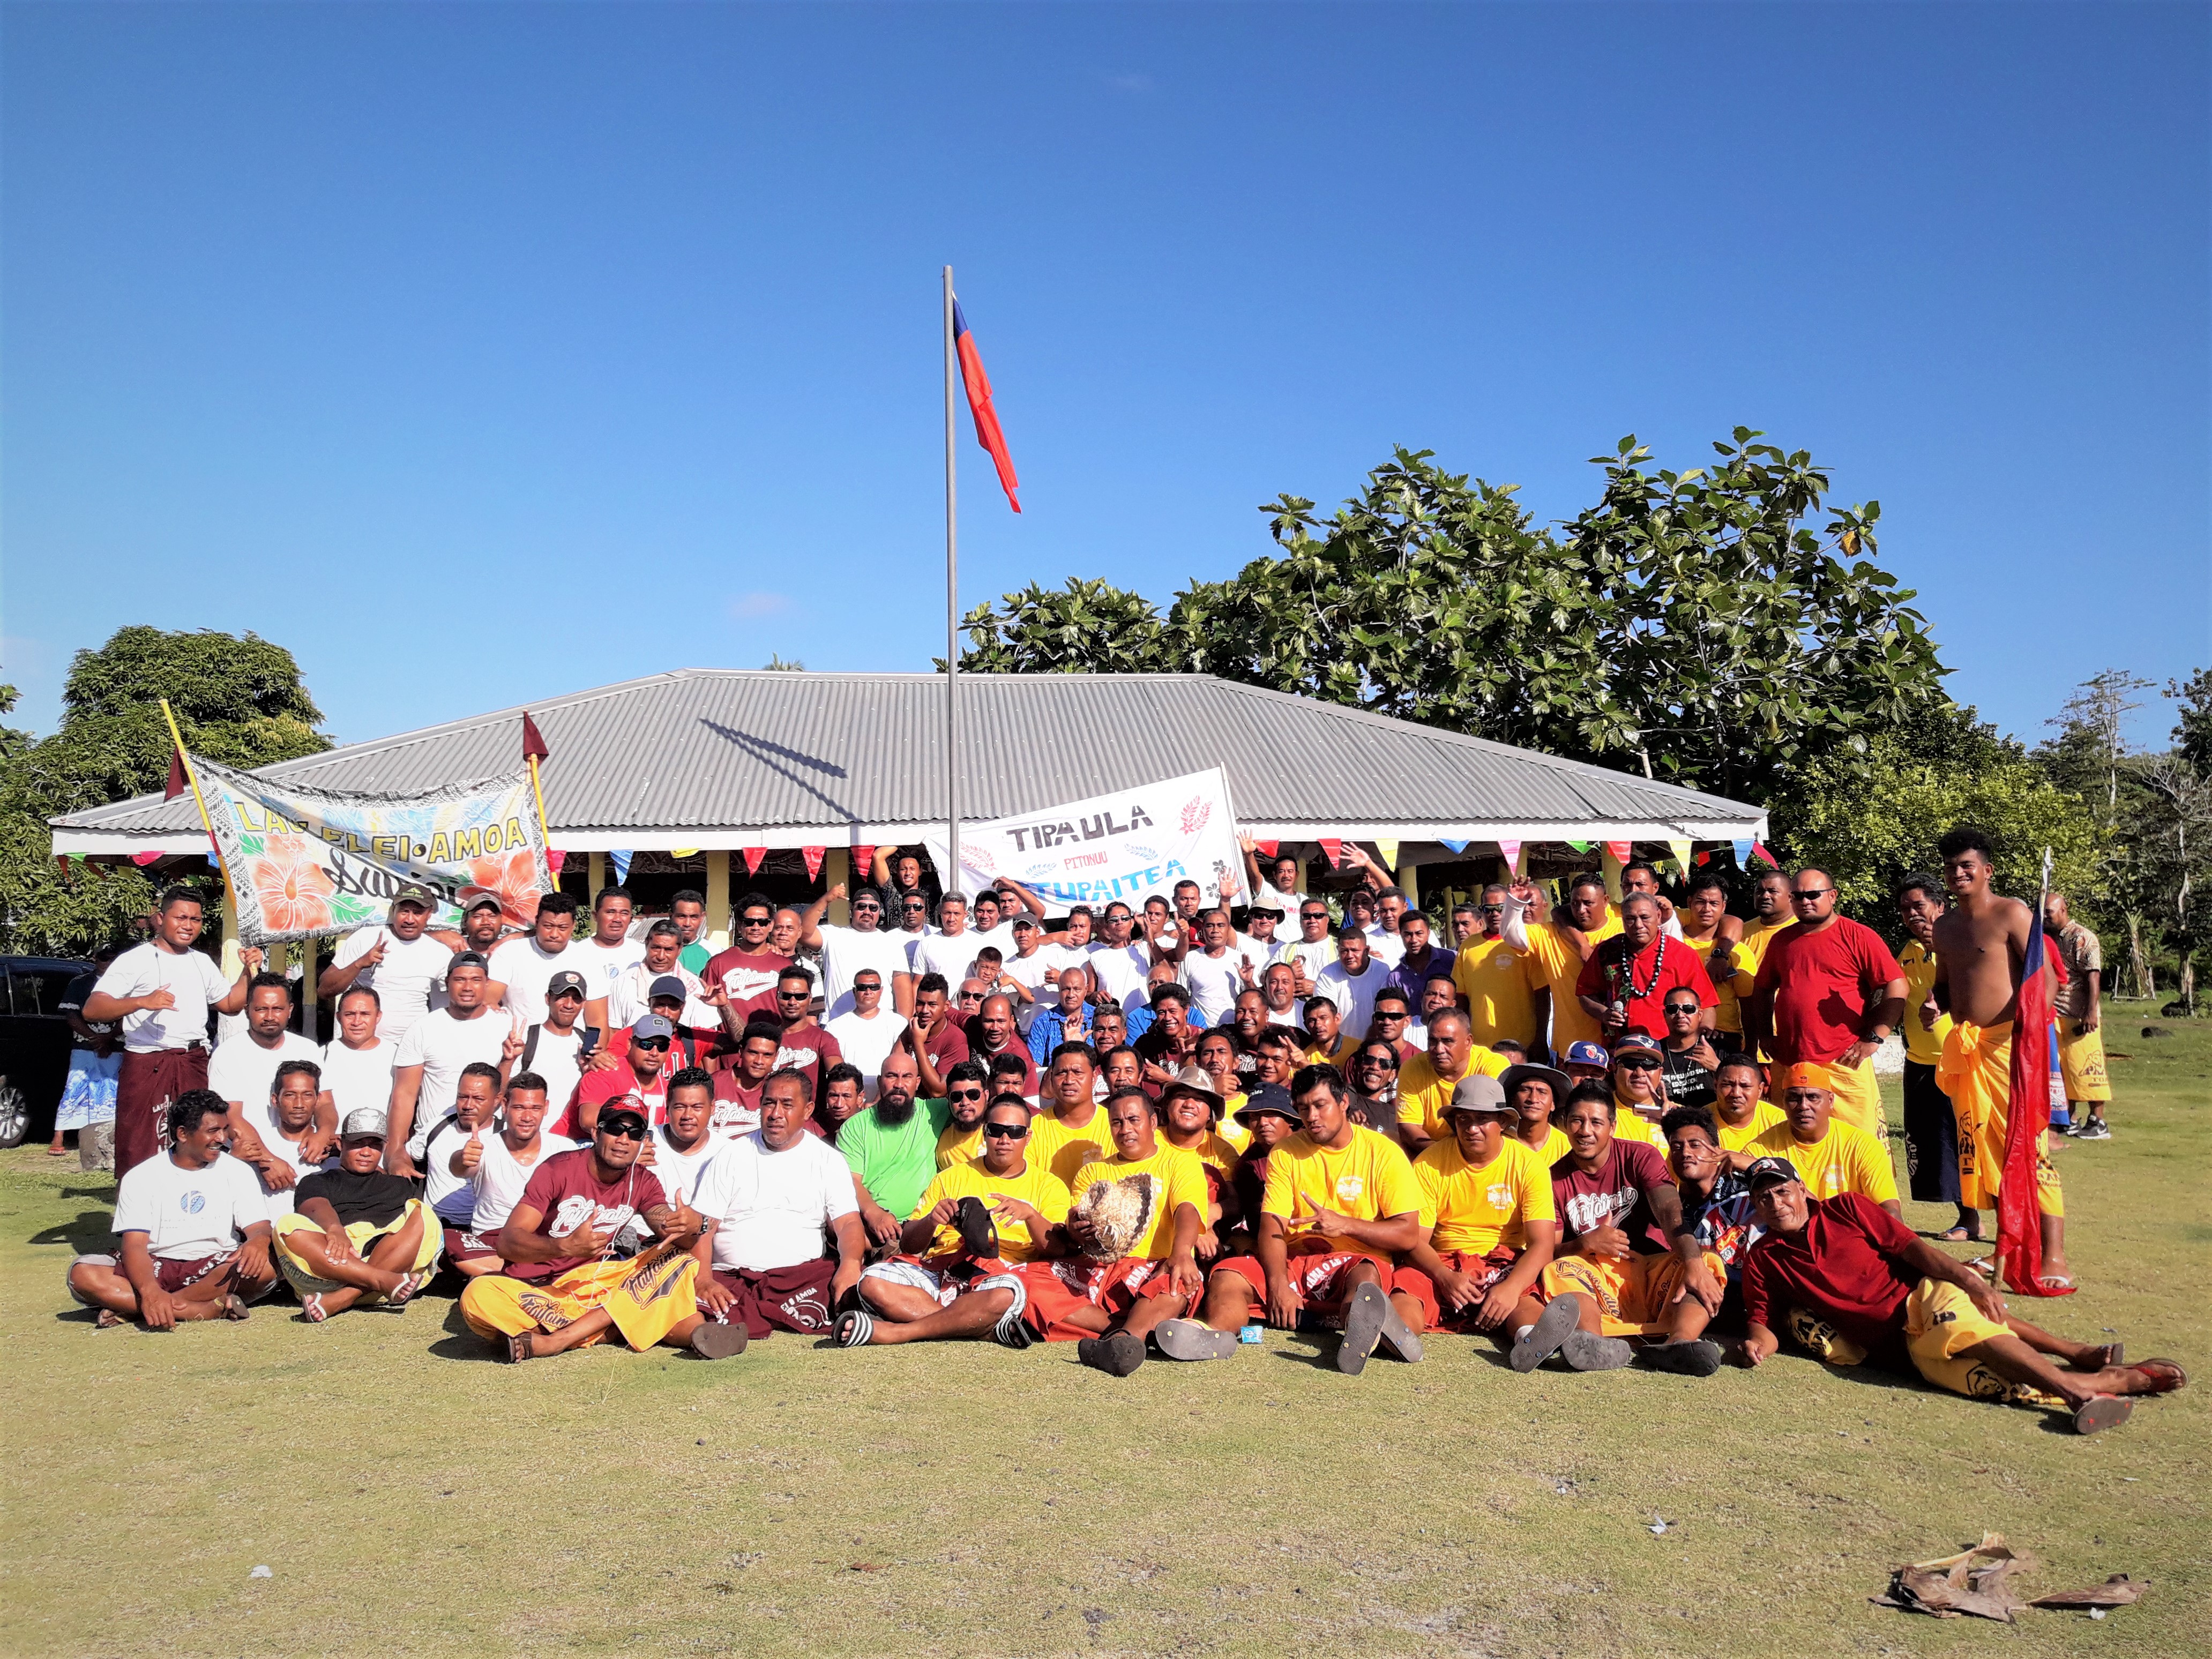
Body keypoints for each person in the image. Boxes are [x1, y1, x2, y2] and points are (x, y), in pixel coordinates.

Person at [1736, 1158, 2183, 1434]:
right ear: (1755, 1207)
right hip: (1902, 1351)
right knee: (1992, 1385)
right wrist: (1758, 1347)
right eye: (1764, 1198)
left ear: (1803, 1191)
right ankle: (2111, 1382)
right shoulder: (1764, 1257)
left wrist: (1970, 1281)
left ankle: (2074, 1393)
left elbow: (1916, 1250)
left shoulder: (1847, 1208)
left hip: (1923, 1298)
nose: (1776, 1204)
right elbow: (1763, 1318)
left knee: (1961, 1325)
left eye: (1782, 1191)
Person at [1156, 1064, 1425, 1374]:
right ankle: (1215, 1334)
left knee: (1365, 1281)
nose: (1311, 1117)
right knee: (1227, 1273)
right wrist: (1278, 1283)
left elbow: (1407, 1235)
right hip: (1296, 1261)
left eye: (1320, 1105)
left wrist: (1346, 1224)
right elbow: (1272, 1225)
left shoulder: (1384, 1152)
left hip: (1356, 1260)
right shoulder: (1285, 1152)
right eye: (1303, 1108)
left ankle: (1360, 1331)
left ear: (1344, 1103)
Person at [459, 1104, 732, 1363]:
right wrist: (564, 1247)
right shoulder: (558, 1169)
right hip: (540, 1291)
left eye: (635, 1133)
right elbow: (507, 1243)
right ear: (596, 1132)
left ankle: (558, 1340)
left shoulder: (644, 1181)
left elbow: (672, 1233)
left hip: (599, 1288)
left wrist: (693, 1225)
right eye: (615, 1129)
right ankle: (608, 1329)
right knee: (477, 1295)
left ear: (643, 1142)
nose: (624, 1139)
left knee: (679, 1260)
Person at [1930, 827, 2070, 1289]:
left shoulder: (2012, 912)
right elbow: (1949, 983)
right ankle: (2004, 1246)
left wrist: (2032, 1030)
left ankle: (2053, 1255)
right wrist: (1937, 1004)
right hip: (1969, 1049)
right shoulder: (1944, 926)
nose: (1958, 873)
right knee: (1986, 1154)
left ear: (1986, 870)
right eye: (1951, 867)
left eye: (1967, 865)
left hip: (2014, 1049)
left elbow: (2045, 977)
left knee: (2029, 1152)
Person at [835, 1093, 1073, 1350]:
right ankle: (982, 1331)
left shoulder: (1049, 1186)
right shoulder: (951, 1177)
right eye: (996, 1130)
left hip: (999, 1276)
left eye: (1015, 1132)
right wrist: (931, 1221)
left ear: (1028, 1137)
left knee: (1008, 1293)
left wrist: (1030, 1215)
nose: (1004, 1140)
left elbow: (1057, 1249)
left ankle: (898, 1332)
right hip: (942, 1269)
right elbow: (909, 1244)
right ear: (985, 1133)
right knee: (872, 1281)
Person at [1533, 1082, 1728, 1374]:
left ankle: (1679, 1344)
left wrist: (1692, 1263)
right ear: (1564, 1123)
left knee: (1707, 1261)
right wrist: (1585, 1243)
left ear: (1612, 1126)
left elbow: (1670, 1213)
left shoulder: (1640, 1156)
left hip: (1651, 1273)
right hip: (1598, 1278)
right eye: (1577, 1120)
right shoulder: (1553, 1178)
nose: (1586, 1131)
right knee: (1557, 1270)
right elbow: (1550, 1250)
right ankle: (1591, 1343)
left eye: (1596, 1122)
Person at [83, 886, 260, 1177]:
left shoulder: (200, 960)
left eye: (196, 919)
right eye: (181, 918)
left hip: (192, 1061)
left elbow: (229, 1004)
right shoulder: (135, 959)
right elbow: (93, 1008)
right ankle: (133, 1216)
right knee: (140, 1146)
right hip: (148, 1063)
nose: (188, 926)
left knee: (199, 1139)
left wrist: (246, 971)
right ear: (160, 919)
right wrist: (142, 1001)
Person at [67, 1090, 278, 1327]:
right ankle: (203, 1309)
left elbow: (259, 1227)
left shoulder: (238, 1171)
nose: (222, 1138)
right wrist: (149, 1291)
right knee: (82, 1274)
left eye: (224, 1129)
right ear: (182, 1134)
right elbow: (135, 1246)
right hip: (155, 1265)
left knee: (268, 1268)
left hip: (215, 1265)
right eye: (212, 1131)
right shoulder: (141, 1177)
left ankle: (144, 1309)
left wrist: (259, 1242)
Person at [1038, 1088, 1208, 1375]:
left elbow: (1188, 1209)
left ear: (1153, 1122)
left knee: (1175, 1282)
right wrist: (1077, 1231)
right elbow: (1075, 1220)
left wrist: (1181, 1253)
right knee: (1031, 1280)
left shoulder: (1180, 1162)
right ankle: (1133, 1331)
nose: (1125, 1129)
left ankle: (1123, 1343)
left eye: (1133, 1120)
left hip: (1153, 1268)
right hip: (1100, 1270)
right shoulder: (1092, 1172)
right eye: (1117, 1122)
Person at [691, 1070, 869, 1342]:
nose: (775, 1113)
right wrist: (703, 1279)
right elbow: (704, 1225)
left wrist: (850, 1265)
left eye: (787, 1105)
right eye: (768, 1103)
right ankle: (714, 1332)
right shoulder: (731, 1155)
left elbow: (847, 1223)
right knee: (691, 1300)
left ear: (808, 1110)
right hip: (734, 1278)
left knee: (848, 1287)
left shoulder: (828, 1160)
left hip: (801, 1280)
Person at [1746, 869, 1906, 1138]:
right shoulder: (1782, 941)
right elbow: (1762, 989)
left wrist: (1875, 1038)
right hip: (1791, 1061)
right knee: (1794, 1144)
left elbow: (1896, 985)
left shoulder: (1858, 935)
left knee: (1861, 1146)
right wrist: (1765, 1035)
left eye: (1813, 895)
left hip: (1845, 1062)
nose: (1805, 901)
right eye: (1797, 896)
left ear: (1832, 896)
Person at [1401, 1075, 1558, 1348]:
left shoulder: (1530, 1165)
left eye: (1483, 1119)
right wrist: (1444, 1276)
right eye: (1463, 1119)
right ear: (1453, 1123)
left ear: (1504, 1123)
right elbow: (1415, 1239)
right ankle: (1395, 1335)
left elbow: (1542, 1244)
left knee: (1526, 1296)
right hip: (1444, 1262)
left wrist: (1510, 1289)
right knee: (1408, 1286)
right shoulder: (1428, 1163)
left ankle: (1532, 1339)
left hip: (1504, 1264)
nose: (1472, 1128)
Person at [273, 1108, 441, 1322]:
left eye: (375, 1145)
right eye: (358, 1143)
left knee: (424, 1213)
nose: (366, 1151)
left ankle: (344, 1297)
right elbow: (315, 1206)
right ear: (341, 1144)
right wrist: (335, 1230)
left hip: (386, 1260)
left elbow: (413, 1235)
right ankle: (379, 1280)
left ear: (384, 1147)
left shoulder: (399, 1185)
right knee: (287, 1225)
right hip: (334, 1265)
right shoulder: (318, 1181)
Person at [385, 953, 509, 1177]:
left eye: (476, 980)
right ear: (447, 983)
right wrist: (395, 1153)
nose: (468, 987)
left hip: (488, 1146)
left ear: (487, 984)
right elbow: (404, 1094)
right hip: (432, 1146)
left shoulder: (506, 1027)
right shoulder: (423, 1028)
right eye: (460, 979)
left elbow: (507, 1091)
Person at [1896, 875, 1972, 1235]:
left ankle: (1987, 1220)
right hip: (1921, 1063)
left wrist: (1943, 948)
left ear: (1941, 906)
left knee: (1968, 1141)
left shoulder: (1962, 944)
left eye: (1918, 906)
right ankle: (1967, 1219)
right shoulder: (1908, 952)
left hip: (1963, 1061)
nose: (1912, 914)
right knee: (1937, 1147)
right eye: (1905, 909)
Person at [206, 972, 331, 1186]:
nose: (270, 1016)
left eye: (278, 1009)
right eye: (261, 1009)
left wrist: (324, 1133)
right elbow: (231, 1116)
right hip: (250, 1159)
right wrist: (267, 1160)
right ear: (247, 1011)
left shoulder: (308, 1048)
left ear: (290, 1010)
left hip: (303, 1153)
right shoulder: (228, 1054)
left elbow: (326, 1102)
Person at [445, 1071, 573, 1278]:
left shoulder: (564, 1149)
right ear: (504, 1106)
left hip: (540, 1241)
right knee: (447, 1238)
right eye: (519, 1107)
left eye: (535, 1108)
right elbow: (461, 1168)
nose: (527, 1117)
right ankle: (526, 1274)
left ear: (546, 1108)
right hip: (493, 1241)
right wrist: (463, 1157)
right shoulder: (484, 1148)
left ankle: (511, 1274)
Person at [317, 883, 461, 1042]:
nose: (409, 919)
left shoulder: (440, 952)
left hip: (411, 1049)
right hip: (359, 1046)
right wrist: (359, 964)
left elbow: (459, 998)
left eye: (418, 913)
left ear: (429, 915)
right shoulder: (365, 938)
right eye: (404, 911)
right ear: (394, 910)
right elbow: (325, 990)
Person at [839, 1046, 953, 1245]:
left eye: (907, 1077)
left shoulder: (936, 1112)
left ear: (917, 1083)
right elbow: (850, 1180)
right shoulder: (855, 1127)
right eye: (892, 1076)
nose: (899, 1084)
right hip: (875, 1228)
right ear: (879, 1082)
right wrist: (874, 1214)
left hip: (924, 1227)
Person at [1746, 1065, 1900, 1211]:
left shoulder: (1862, 1146)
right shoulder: (1760, 1149)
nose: (1804, 1106)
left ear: (1831, 1101)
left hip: (1849, 1234)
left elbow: (1890, 1210)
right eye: (1794, 1098)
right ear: (1784, 1101)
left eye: (1813, 1097)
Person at [1576, 893, 1717, 1045]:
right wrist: (1603, 1013)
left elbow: (1706, 1004)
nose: (1638, 925)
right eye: (1630, 919)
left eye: (1645, 918)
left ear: (1658, 916)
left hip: (1669, 1048)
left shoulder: (1683, 954)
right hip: (1619, 1047)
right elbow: (1586, 993)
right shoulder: (1606, 951)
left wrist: (1701, 1038)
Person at [1500, 873, 1615, 1059]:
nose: (1581, 910)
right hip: (1571, 1050)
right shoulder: (1549, 933)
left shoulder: (1622, 929)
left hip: (1615, 1046)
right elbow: (1512, 935)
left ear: (1605, 901)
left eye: (1588, 903)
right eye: (1575, 903)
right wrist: (1514, 903)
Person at [2042, 891, 2112, 1139]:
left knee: (2087, 1066)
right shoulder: (2046, 937)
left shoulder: (2082, 937)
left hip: (2079, 1013)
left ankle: (2098, 1121)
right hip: (2055, 1012)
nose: (2045, 916)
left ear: (2064, 909)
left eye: (2049, 911)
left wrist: (2091, 1012)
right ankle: (2068, 1117)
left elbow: (2093, 975)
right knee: (2063, 1069)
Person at [1395, 1009, 1510, 1153]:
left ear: (1468, 1042)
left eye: (1447, 1041)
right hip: (1431, 1152)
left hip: (1481, 1151)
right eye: (1433, 1041)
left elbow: (1492, 1124)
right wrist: (1443, 1156)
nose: (1439, 1049)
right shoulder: (1412, 1068)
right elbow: (1408, 1127)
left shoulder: (1493, 1065)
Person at [800, 881, 916, 1019]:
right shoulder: (833, 935)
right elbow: (803, 933)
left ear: (880, 911)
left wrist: (904, 1027)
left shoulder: (892, 943)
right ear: (851, 909)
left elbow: (902, 989)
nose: (867, 912)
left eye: (873, 908)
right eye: (861, 906)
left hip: (880, 1026)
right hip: (836, 1023)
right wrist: (825, 900)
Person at [51, 943, 121, 1169]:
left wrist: (109, 1037)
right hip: (84, 1046)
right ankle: (59, 1137)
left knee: (110, 1091)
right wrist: (94, 1038)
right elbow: (71, 1016)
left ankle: (105, 1139)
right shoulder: (80, 984)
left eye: (112, 958)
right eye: (104, 958)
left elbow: (131, 1015)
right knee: (75, 1089)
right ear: (95, 959)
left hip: (115, 1046)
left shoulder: (127, 985)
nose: (108, 963)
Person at [562, 1014, 678, 1139]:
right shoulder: (606, 1070)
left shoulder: (666, 1087)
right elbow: (588, 1121)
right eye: (646, 1044)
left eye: (662, 1047)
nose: (654, 1053)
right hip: (574, 1144)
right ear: (630, 1044)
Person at [503, 969, 596, 1122]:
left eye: (577, 999)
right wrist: (507, 1061)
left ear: (584, 1003)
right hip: (529, 1134)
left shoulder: (587, 1044)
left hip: (569, 1139)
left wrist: (591, 1073)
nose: (569, 1005)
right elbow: (501, 1092)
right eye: (561, 997)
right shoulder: (526, 1037)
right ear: (548, 999)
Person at [1726, 869, 1799, 1053]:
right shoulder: (1740, 932)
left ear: (1790, 896)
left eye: (1773, 891)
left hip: (1787, 1038)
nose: (1765, 896)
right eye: (1760, 892)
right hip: (1747, 1037)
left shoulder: (1802, 932)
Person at [249, 1059, 331, 1222]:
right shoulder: (259, 1147)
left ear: (318, 1099)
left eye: (307, 1095)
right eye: (290, 1095)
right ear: (275, 1100)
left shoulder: (332, 1149)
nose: (299, 1104)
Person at [484, 891, 582, 1027]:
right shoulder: (510, 952)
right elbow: (488, 1002)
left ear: (574, 926)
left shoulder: (586, 957)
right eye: (548, 926)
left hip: (572, 1044)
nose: (554, 934)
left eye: (562, 928)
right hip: (518, 1043)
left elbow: (597, 1019)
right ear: (537, 922)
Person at [637, 1068, 726, 1210]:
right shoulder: (642, 1142)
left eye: (697, 1107)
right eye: (680, 1107)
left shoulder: (727, 1153)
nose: (688, 1115)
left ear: (712, 1108)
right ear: (667, 1108)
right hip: (642, 1229)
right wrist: (630, 1168)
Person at [703, 892, 793, 1030]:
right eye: (749, 922)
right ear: (739, 925)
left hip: (774, 1047)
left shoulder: (785, 965)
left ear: (771, 925)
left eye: (763, 922)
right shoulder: (718, 963)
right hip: (730, 1047)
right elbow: (706, 1013)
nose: (756, 927)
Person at [607, 922, 714, 1037]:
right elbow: (614, 1031)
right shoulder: (624, 982)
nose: (661, 956)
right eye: (656, 948)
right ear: (646, 944)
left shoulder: (694, 988)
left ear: (680, 950)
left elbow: (701, 1038)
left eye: (669, 950)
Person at [1033, 1043, 1116, 1182]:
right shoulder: (1034, 1128)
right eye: (1061, 1073)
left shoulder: (1114, 1125)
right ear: (1051, 1078)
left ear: (1094, 1077)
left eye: (1077, 1072)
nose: (1069, 1080)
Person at [1678, 872, 1746, 1042]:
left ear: (1724, 907)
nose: (1707, 909)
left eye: (1714, 903)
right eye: (1701, 902)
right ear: (1689, 903)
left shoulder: (1739, 952)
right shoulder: (1672, 942)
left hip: (1724, 1036)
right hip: (1675, 1034)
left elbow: (1750, 1006)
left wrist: (1751, 1049)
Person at [319, 985, 398, 1127]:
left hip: (383, 1144)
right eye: (350, 1014)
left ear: (378, 1016)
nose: (357, 1022)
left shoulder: (397, 1056)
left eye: (365, 1014)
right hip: (335, 1144)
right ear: (338, 1017)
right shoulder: (321, 1056)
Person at [825, 968, 906, 1099]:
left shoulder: (899, 1024)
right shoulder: (835, 1027)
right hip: (849, 1102)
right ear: (854, 991)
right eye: (863, 988)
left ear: (881, 991)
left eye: (874, 987)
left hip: (888, 1097)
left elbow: (903, 1066)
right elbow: (835, 1071)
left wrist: (879, 1098)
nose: (868, 992)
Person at [768, 965, 843, 1095]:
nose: (792, 1002)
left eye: (800, 996)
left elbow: (839, 1076)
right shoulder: (765, 1040)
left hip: (811, 1115)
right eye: (786, 996)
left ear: (810, 999)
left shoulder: (824, 1040)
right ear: (777, 997)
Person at [1314, 925, 1389, 1044]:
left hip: (1375, 1043)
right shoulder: (1327, 974)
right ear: (1338, 950)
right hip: (1338, 1044)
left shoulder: (1383, 971)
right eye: (1344, 951)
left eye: (1355, 950)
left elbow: (1385, 1012)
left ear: (1367, 951)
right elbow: (1324, 1016)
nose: (1349, 956)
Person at [708, 1022, 784, 1138]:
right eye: (753, 1053)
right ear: (741, 1051)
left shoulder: (777, 1092)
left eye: (767, 1055)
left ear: (776, 1057)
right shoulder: (714, 1083)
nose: (759, 1061)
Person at [1657, 989, 1725, 1109]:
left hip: (1710, 1123)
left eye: (1688, 1009)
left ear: (1700, 1015)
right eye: (1672, 1009)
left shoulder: (1719, 1049)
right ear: (1665, 1014)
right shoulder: (1655, 1052)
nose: (1680, 1015)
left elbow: (1741, 1087)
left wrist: (1717, 1067)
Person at [906, 973, 970, 1096]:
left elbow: (939, 1091)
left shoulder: (956, 1039)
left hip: (936, 1111)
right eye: (920, 1003)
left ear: (946, 1006)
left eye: (932, 1005)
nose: (924, 1011)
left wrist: (918, 1043)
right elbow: (893, 1068)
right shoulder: (913, 1026)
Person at [1604, 1033, 1671, 1146]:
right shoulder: (1597, 1114)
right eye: (1630, 1064)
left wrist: (1674, 1122)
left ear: (1661, 1073)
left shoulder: (1678, 1116)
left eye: (1649, 1065)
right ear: (1615, 1070)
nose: (1640, 1073)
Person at [967, 993, 1041, 1096]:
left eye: (1001, 1021)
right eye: (989, 1021)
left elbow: (1030, 1102)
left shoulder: (1022, 1057)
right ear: (980, 1019)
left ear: (1011, 1021)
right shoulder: (971, 1026)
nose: (995, 1028)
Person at [1710, 1056, 1785, 1153]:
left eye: (1745, 1086)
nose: (1736, 1093)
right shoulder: (1701, 1123)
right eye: (1728, 1085)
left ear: (1760, 1090)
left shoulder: (1779, 1121)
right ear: (1716, 1086)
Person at [1384, 910, 1454, 1014]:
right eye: (1408, 934)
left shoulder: (1452, 959)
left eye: (1419, 933)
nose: (1414, 940)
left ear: (1429, 933)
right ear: (1401, 934)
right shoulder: (1396, 978)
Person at [1501, 1060, 1572, 1163]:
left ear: (1553, 1104)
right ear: (1513, 1100)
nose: (1533, 1099)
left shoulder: (1566, 1148)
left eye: (1542, 1092)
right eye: (1525, 1090)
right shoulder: (1499, 1142)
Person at [1132, 984, 1202, 1087]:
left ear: (1186, 1010)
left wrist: (1166, 1079)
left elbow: (1208, 1089)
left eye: (1173, 1011)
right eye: (1161, 1012)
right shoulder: (1146, 1044)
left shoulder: (1203, 1040)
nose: (1168, 1018)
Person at [1026, 961, 1096, 1063]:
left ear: (1086, 990)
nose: (1071, 995)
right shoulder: (1042, 1023)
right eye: (1066, 989)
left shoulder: (1097, 1018)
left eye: (1077, 989)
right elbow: (1034, 1065)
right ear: (1059, 989)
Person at [932, 1060, 994, 1167]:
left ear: (986, 1095)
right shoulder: (942, 1144)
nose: (965, 1102)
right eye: (956, 1096)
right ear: (949, 1099)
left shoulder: (1001, 1134)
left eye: (973, 1094)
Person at [1277, 898, 1339, 992]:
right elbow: (1267, 978)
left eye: (1318, 916)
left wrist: (1317, 988)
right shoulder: (1285, 949)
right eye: (1306, 916)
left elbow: (1351, 984)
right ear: (1301, 921)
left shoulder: (1340, 947)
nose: (1312, 920)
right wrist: (1288, 973)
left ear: (1327, 919)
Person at [1363, 988, 1423, 1068]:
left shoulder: (1421, 1062)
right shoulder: (1360, 1059)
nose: (1387, 1022)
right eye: (1381, 1016)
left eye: (1395, 1016)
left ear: (1407, 1021)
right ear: (1374, 1019)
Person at [817, 1063, 868, 1142]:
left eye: (846, 1096)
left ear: (860, 1098)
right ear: (826, 1096)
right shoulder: (813, 1126)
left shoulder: (869, 1128)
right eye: (834, 1096)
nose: (839, 1104)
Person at [670, 887, 713, 976]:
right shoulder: (656, 950)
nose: (688, 923)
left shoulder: (714, 953)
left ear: (702, 917)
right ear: (671, 916)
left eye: (694, 917)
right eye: (682, 916)